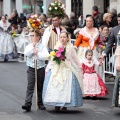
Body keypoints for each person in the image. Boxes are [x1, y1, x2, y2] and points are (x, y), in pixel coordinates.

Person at [42, 31, 83, 112]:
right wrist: (48, 67)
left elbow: (75, 57)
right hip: (57, 67)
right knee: (56, 84)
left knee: (67, 86)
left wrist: (79, 65)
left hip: (67, 67)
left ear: (68, 38)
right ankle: (57, 104)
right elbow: (53, 58)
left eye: (64, 37)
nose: (62, 39)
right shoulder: (57, 46)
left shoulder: (70, 47)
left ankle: (65, 105)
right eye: (61, 37)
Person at [22, 29, 49, 112]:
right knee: (30, 86)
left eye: (33, 36)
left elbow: (45, 57)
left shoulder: (43, 47)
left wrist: (38, 53)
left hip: (40, 68)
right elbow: (26, 54)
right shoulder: (29, 46)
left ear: (38, 37)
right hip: (31, 68)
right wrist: (32, 50)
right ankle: (27, 104)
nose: (31, 37)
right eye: (31, 36)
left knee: (40, 86)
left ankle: (40, 103)